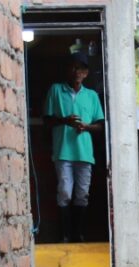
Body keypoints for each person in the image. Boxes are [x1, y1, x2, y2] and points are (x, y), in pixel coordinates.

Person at [43, 51, 105, 242]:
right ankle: (64, 235)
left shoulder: (92, 96)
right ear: (68, 70)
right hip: (63, 151)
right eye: (74, 67)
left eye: (81, 68)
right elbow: (46, 120)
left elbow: (100, 125)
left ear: (86, 73)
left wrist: (86, 127)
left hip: (84, 153)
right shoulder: (56, 90)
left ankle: (78, 235)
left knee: (82, 194)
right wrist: (64, 121)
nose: (77, 71)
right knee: (65, 192)